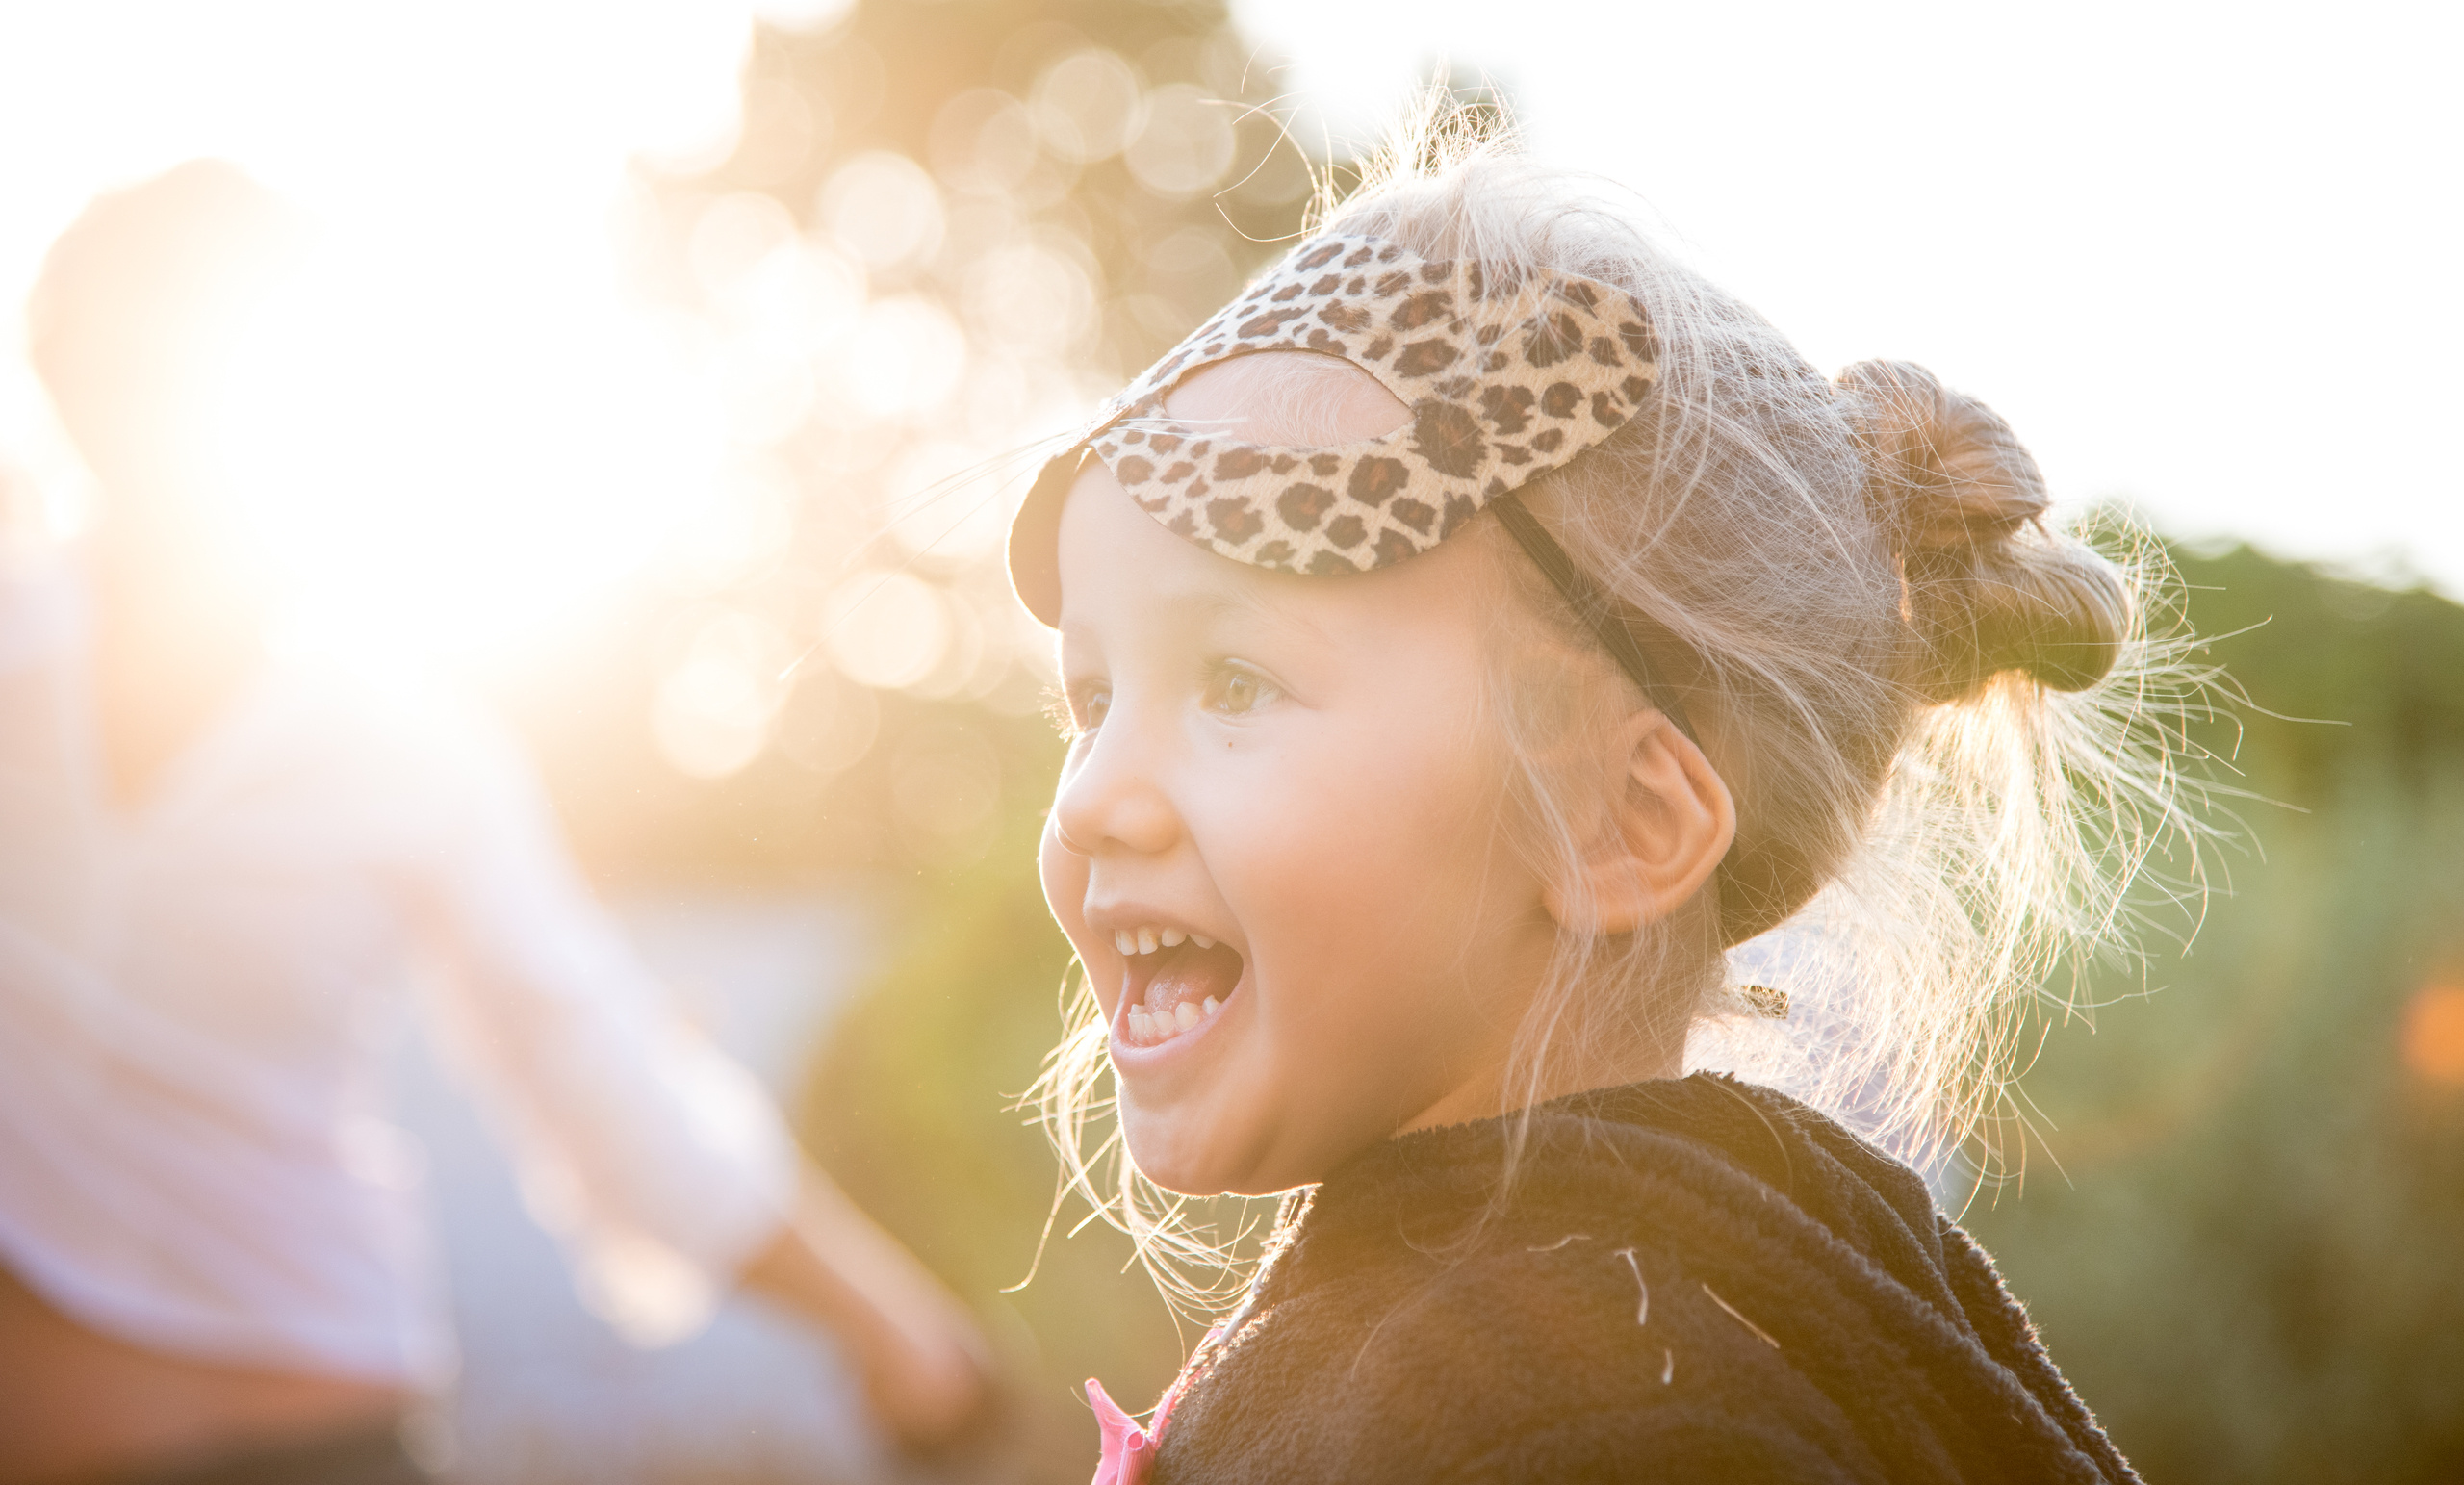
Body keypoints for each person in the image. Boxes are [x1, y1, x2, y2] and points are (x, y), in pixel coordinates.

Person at [1005, 100, 2189, 1483]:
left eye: (1237, 685)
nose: (1092, 801)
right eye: (1092, 700)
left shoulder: (1601, 1418)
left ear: (1620, 823)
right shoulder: (1555, 1332)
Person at [0, 161, 988, 1485]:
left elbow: (606, 1080)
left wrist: (893, 1330)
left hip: (328, 1440)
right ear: (77, 388)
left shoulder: (409, 750)